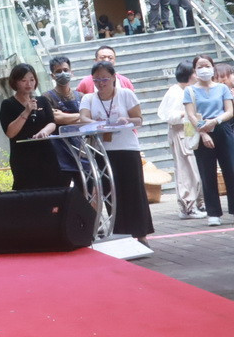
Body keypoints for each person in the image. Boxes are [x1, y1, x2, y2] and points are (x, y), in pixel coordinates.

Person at [79, 61, 154, 242]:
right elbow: (83, 118)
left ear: (114, 78)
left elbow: (139, 119)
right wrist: (99, 125)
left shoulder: (126, 94)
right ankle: (120, 233)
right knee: (111, 193)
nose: (101, 83)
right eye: (96, 80)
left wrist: (125, 119)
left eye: (105, 79)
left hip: (127, 149)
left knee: (134, 192)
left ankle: (141, 234)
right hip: (102, 152)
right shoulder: (88, 98)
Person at [183, 55, 234, 227]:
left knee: (231, 169)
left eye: (207, 65)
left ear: (212, 67)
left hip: (222, 129)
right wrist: (203, 132)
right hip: (201, 130)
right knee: (207, 173)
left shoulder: (222, 88)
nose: (204, 69)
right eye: (200, 66)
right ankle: (213, 213)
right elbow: (190, 114)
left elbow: (229, 111)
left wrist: (216, 121)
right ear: (195, 70)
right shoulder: (189, 91)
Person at [0, 64, 60, 190]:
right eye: (24, 80)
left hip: (45, 153)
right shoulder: (8, 104)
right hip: (23, 157)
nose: (28, 84)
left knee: (52, 190)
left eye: (32, 79)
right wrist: (26, 111)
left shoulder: (42, 100)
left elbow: (52, 122)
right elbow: (10, 133)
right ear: (15, 82)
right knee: (28, 193)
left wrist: (44, 131)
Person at [157, 61, 206, 219]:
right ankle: (187, 207)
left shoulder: (190, 90)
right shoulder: (175, 92)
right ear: (189, 74)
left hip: (190, 131)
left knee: (194, 170)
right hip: (181, 132)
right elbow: (169, 116)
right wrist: (187, 114)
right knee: (186, 170)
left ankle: (198, 203)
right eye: (195, 72)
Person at [44, 56, 85, 180]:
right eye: (58, 71)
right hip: (58, 151)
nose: (63, 73)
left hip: (81, 149)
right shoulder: (47, 97)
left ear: (71, 72)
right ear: (52, 76)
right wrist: (80, 116)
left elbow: (88, 119)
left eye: (66, 70)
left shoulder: (81, 96)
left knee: (86, 191)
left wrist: (64, 117)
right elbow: (56, 118)